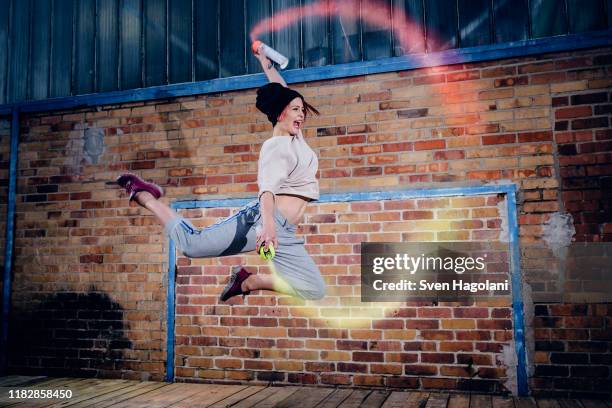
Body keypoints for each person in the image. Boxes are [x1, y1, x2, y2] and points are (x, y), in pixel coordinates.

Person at [116, 47, 325, 302]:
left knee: (314, 289)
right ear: (281, 114)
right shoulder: (275, 146)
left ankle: (249, 281)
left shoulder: (296, 139)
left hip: (285, 230)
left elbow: (282, 89)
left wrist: (266, 64)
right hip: (263, 222)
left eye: (302, 109)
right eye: (295, 109)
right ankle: (144, 195)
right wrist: (268, 227)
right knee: (193, 245)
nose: (302, 113)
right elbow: (266, 190)